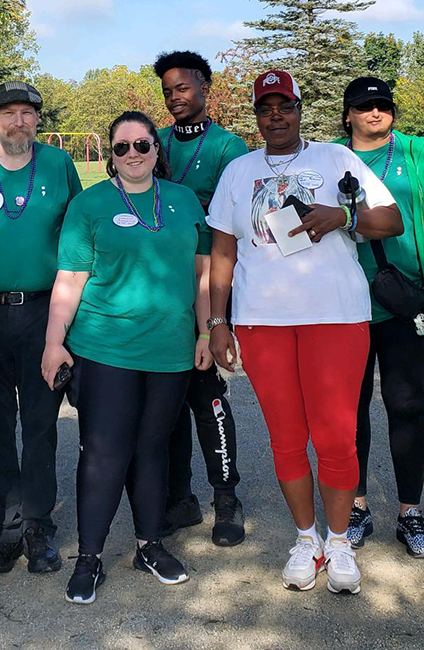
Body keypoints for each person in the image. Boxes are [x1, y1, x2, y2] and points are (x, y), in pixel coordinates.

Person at [206, 70, 402, 595]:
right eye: (266, 107)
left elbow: (392, 219)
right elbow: (223, 252)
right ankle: (306, 538)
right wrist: (217, 320)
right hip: (262, 321)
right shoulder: (238, 172)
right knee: (287, 437)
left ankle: (339, 542)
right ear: (256, 115)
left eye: (284, 105)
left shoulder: (336, 159)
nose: (276, 115)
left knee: (336, 435)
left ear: (299, 108)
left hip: (335, 317)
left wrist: (343, 216)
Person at [42, 111, 212, 605]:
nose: (132, 154)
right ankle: (90, 558)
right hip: (105, 349)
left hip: (170, 350)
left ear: (157, 150)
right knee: (103, 452)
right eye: (121, 147)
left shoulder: (182, 202)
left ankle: (148, 545)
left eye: (142, 145)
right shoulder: (88, 205)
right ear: (110, 155)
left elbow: (201, 275)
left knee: (152, 448)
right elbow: (69, 281)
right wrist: (55, 343)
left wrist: (206, 331)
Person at [0, 82, 79, 574]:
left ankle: (39, 528)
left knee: (43, 425)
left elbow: (77, 233)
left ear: (37, 121)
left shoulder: (58, 165)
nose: (18, 122)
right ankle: (4, 530)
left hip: (44, 314)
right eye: (8, 114)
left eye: (27, 113)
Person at [331, 76, 424, 558]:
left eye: (382, 105)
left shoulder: (417, 153)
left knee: (406, 404)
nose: (375, 113)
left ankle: (409, 511)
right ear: (348, 114)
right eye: (364, 106)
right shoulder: (328, 156)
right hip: (343, 303)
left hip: (404, 300)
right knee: (350, 409)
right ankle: (357, 507)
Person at [152, 50, 249, 547]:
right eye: (168, 91)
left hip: (211, 284)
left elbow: (238, 216)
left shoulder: (229, 148)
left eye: (183, 88)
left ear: (206, 87)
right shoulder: (155, 142)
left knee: (205, 392)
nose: (174, 98)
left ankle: (226, 498)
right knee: (168, 395)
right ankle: (179, 497)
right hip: (163, 289)